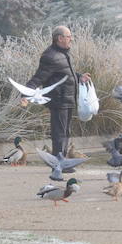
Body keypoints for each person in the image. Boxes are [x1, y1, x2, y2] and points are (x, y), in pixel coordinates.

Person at [22, 26, 91, 160]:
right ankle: (58, 164)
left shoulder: (63, 53)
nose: (71, 39)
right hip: (58, 101)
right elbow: (38, 78)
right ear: (60, 38)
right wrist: (25, 94)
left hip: (67, 100)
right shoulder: (50, 56)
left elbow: (65, 73)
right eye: (69, 36)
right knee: (59, 134)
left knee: (65, 132)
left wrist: (79, 77)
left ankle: (62, 162)